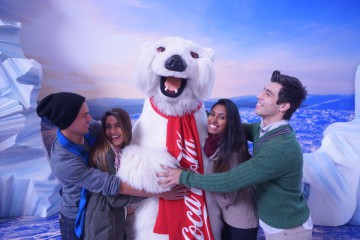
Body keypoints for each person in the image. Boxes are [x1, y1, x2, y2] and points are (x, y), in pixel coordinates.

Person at [158, 70, 313, 240]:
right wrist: (190, 103)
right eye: (263, 90)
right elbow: (231, 126)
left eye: (267, 94)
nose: (259, 96)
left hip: (288, 230)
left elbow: (229, 181)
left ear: (283, 106)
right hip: (273, 223)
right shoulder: (264, 131)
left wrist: (182, 177)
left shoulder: (279, 148)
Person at [36, 92, 185, 240]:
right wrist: (160, 192)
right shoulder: (64, 162)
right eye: (84, 116)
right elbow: (112, 185)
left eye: (88, 113)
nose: (90, 118)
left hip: (100, 209)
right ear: (67, 122)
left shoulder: (92, 129)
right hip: (76, 217)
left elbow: (120, 136)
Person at [84, 108, 142, 239]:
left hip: (113, 215)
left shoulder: (120, 151)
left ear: (126, 126)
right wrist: (155, 193)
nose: (112, 132)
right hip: (102, 217)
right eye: (108, 127)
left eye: (117, 126)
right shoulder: (106, 154)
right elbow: (114, 199)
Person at [205, 99, 258, 240]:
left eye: (222, 117)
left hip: (242, 221)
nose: (214, 120)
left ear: (230, 124)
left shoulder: (232, 154)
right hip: (229, 217)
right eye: (212, 114)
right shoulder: (215, 144)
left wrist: (204, 182)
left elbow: (227, 198)